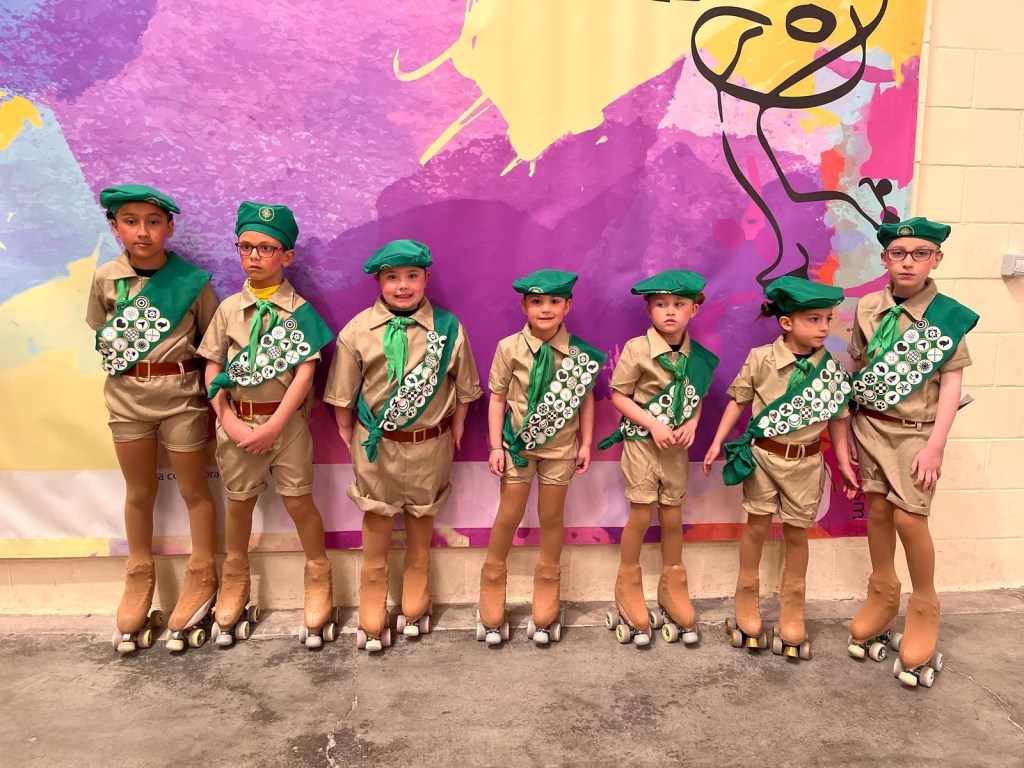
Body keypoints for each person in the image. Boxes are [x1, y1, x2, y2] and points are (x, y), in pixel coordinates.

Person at [325, 239, 482, 653]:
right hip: (377, 446)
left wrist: (457, 426)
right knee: (377, 517)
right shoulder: (358, 330)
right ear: (378, 281)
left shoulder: (448, 328)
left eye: (412, 276)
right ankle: (373, 587)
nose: (402, 286)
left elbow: (464, 387)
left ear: (426, 278)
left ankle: (417, 581)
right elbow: (343, 391)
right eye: (392, 277)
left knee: (421, 516)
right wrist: (347, 430)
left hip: (431, 444)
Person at [845, 217, 977, 689]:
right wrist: (850, 429)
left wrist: (935, 446)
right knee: (878, 510)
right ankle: (883, 591)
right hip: (870, 426)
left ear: (935, 259)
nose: (908, 262)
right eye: (898, 253)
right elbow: (859, 364)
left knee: (910, 518)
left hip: (916, 435)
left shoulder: (947, 316)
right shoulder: (867, 307)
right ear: (885, 259)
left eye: (920, 253)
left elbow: (951, 385)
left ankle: (924, 604)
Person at [199, 202, 338, 650]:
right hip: (237, 423)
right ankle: (235, 575)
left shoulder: (299, 313)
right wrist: (227, 419)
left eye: (266, 248)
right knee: (238, 503)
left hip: (287, 426)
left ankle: (318, 574)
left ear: (287, 256)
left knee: (299, 501)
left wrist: (274, 426)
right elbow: (213, 366)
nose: (254, 256)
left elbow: (305, 374)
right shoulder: (228, 310)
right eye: (246, 247)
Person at [87, 184, 219, 654]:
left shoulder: (192, 282)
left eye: (153, 221)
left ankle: (203, 569)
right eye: (130, 221)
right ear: (115, 227)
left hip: (182, 397)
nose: (142, 231)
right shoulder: (105, 279)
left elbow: (212, 340)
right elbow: (100, 328)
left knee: (194, 489)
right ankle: (139, 571)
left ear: (169, 228)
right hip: (126, 398)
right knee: (139, 490)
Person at [703, 276, 858, 660]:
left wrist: (843, 461)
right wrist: (716, 442)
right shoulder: (761, 359)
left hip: (805, 464)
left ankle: (793, 609)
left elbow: (839, 419)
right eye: (813, 319)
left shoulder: (831, 370)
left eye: (827, 319)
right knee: (756, 527)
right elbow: (738, 401)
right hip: (764, 459)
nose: (823, 327)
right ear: (787, 322)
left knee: (797, 535)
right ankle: (746, 600)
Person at [476, 269, 605, 646]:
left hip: (560, 450)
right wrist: (495, 446)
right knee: (509, 515)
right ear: (524, 306)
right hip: (516, 448)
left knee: (551, 517)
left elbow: (586, 400)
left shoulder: (580, 354)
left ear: (568, 306)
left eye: (554, 301)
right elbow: (497, 398)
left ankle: (548, 583)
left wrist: (586, 443)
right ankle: (492, 577)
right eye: (536, 301)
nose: (545, 309)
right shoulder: (508, 348)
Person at [598, 270, 718, 647]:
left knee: (672, 515)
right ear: (648, 309)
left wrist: (693, 424)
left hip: (676, 450)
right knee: (640, 512)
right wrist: (652, 423)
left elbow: (696, 398)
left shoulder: (698, 358)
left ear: (693, 310)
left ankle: (673, 584)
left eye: (679, 304)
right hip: (642, 445)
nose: (670, 312)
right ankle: (627, 583)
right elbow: (619, 395)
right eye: (661, 304)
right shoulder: (637, 349)